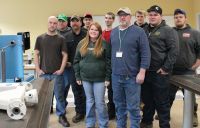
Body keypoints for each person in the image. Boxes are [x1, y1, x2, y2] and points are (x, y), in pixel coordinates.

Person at [110, 7, 150, 128]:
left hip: (132, 77)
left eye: (125, 15)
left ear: (130, 17)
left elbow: (145, 53)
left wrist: (142, 72)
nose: (122, 17)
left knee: (133, 107)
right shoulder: (114, 32)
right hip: (116, 76)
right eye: (120, 15)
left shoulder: (139, 32)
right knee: (119, 106)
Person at [141, 5, 179, 128]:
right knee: (147, 101)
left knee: (162, 102)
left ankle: (164, 124)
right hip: (146, 72)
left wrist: (165, 68)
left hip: (160, 73)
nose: (152, 17)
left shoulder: (168, 30)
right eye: (150, 15)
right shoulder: (144, 30)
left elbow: (174, 51)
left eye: (155, 15)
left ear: (161, 16)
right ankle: (147, 122)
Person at [73, 22, 111, 128]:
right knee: (89, 101)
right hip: (85, 78)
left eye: (96, 30)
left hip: (100, 79)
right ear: (88, 31)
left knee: (100, 102)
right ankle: (90, 123)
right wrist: (77, 76)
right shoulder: (82, 43)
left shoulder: (104, 43)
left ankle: (103, 124)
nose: (93, 32)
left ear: (99, 32)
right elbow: (76, 60)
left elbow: (109, 62)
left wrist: (108, 78)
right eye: (91, 29)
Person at [34, 16, 69, 127]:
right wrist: (38, 69)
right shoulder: (40, 38)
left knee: (59, 96)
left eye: (55, 23)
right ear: (47, 23)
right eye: (50, 23)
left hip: (56, 74)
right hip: (43, 74)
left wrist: (61, 69)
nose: (52, 25)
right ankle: (41, 118)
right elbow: (36, 54)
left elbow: (65, 55)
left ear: (57, 24)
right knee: (42, 97)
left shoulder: (61, 39)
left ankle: (61, 116)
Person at [169, 8, 200, 127]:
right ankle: (166, 114)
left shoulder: (195, 33)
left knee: (189, 97)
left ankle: (193, 116)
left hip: (188, 71)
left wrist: (196, 65)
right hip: (171, 70)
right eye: (176, 17)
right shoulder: (170, 32)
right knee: (168, 95)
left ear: (185, 18)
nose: (178, 19)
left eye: (180, 17)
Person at [65, 15, 87, 123]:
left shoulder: (87, 34)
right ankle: (79, 113)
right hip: (73, 69)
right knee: (76, 91)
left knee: (86, 91)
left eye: (76, 21)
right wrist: (66, 62)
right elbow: (64, 52)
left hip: (86, 68)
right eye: (72, 21)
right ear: (70, 24)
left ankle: (88, 112)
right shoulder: (67, 36)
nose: (74, 23)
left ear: (81, 22)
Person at [102, 11, 116, 120]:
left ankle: (112, 112)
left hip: (112, 65)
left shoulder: (116, 32)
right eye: (106, 18)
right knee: (103, 90)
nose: (108, 20)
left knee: (112, 91)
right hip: (101, 65)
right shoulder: (101, 33)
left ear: (113, 20)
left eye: (110, 18)